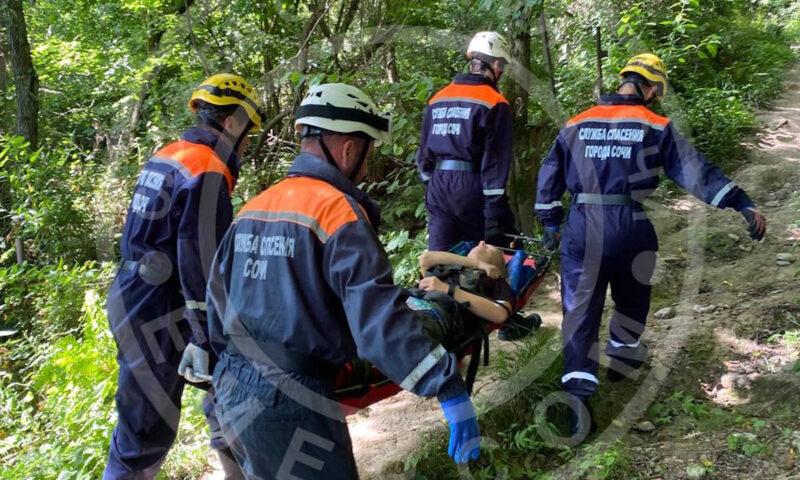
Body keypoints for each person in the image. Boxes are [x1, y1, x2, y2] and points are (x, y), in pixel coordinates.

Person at [207, 82, 481, 479]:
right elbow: (378, 321)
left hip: (231, 389)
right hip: (289, 400)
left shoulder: (255, 207)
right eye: (368, 152)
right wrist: (448, 385)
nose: (367, 168)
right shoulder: (337, 213)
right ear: (350, 148)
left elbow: (217, 300)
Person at [534, 53, 767, 431]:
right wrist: (740, 201)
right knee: (632, 291)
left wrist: (549, 222)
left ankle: (577, 396)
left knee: (580, 306)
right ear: (653, 89)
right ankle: (623, 356)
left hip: (581, 223)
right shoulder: (655, 124)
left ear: (624, 80)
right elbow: (694, 171)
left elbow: (549, 175)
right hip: (629, 221)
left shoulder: (577, 122)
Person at [103, 73, 262, 479]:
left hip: (137, 293)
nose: (247, 143)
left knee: (222, 398)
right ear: (231, 123)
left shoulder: (171, 153)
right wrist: (205, 336)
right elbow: (200, 263)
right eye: (247, 132)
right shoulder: (207, 168)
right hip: (157, 306)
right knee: (145, 432)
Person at [416, 31, 518, 251]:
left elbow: (423, 155)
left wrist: (432, 182)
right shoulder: (495, 103)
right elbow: (495, 164)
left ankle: (433, 285)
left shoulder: (438, 99)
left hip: (438, 185)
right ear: (497, 64)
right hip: (472, 186)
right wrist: (493, 213)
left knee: (440, 258)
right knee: (479, 262)